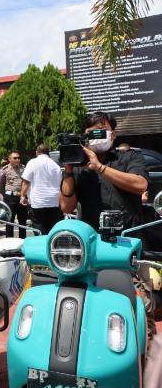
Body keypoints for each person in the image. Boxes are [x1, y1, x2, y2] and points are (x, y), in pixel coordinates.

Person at [58, 111, 155, 341]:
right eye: (90, 133)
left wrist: (100, 167)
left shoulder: (129, 157)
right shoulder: (78, 166)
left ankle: (145, 351)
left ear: (113, 134)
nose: (96, 137)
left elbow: (140, 185)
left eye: (101, 131)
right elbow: (66, 206)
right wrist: (69, 171)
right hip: (94, 247)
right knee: (93, 304)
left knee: (139, 305)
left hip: (128, 243)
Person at [20, 144, 63, 235]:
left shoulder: (33, 162)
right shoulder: (55, 165)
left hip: (38, 201)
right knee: (51, 229)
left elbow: (26, 181)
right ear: (48, 153)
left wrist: (23, 196)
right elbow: (60, 182)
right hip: (54, 201)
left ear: (37, 152)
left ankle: (41, 243)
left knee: (39, 229)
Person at [0, 150, 28, 238]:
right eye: (15, 158)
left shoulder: (23, 168)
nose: (17, 160)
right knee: (9, 221)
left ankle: (22, 241)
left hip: (21, 197)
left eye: (18, 158)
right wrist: (5, 196)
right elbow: (1, 184)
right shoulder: (4, 170)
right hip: (10, 198)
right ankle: (9, 242)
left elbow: (26, 182)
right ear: (9, 159)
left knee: (22, 221)